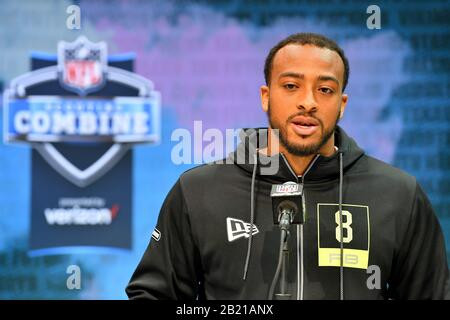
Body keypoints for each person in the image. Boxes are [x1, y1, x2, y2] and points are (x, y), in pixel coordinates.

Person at [126, 33, 449, 300]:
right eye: (291, 86)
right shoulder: (199, 190)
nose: (308, 101)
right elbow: (153, 294)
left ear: (342, 104)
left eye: (325, 90)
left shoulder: (398, 195)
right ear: (266, 96)